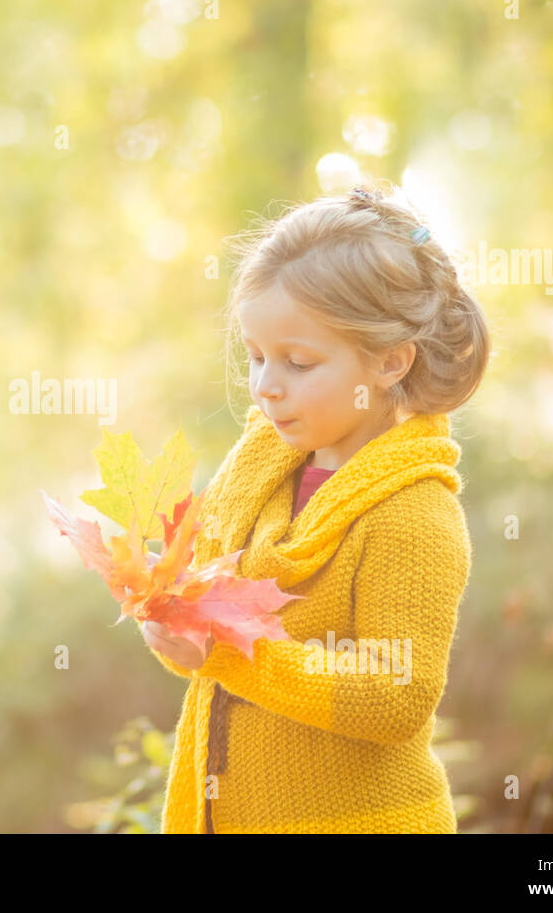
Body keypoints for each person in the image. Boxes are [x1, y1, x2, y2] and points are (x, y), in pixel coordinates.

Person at [142, 183, 491, 833]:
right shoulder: (264, 471)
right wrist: (178, 625)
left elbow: (395, 697)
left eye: (299, 362)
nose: (266, 386)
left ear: (390, 361)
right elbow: (221, 634)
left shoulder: (411, 511)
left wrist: (221, 650)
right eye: (255, 357)